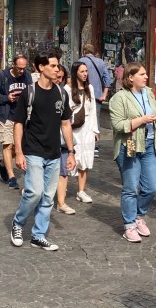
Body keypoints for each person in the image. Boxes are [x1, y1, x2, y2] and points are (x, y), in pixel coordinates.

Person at [9, 53, 76, 252]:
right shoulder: (29, 93)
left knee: (48, 197)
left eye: (58, 66)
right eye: (53, 66)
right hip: (33, 151)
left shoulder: (61, 93)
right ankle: (18, 223)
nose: (57, 69)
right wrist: (19, 152)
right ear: (40, 67)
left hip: (54, 152)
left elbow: (66, 124)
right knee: (34, 192)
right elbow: (18, 124)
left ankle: (38, 235)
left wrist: (71, 152)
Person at [109, 63, 156, 242]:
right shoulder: (119, 98)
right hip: (130, 145)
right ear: (130, 77)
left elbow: (153, 113)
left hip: (150, 145)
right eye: (142, 74)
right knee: (131, 187)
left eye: (145, 74)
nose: (146, 77)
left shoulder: (148, 93)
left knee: (152, 186)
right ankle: (129, 225)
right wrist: (141, 120)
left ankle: (138, 215)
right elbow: (118, 125)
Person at [57, 61, 100, 214]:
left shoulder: (90, 88)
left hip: (87, 126)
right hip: (73, 127)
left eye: (86, 71)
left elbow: (93, 110)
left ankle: (81, 190)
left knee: (85, 159)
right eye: (82, 71)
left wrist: (95, 130)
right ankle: (63, 187)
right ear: (75, 72)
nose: (85, 74)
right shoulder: (67, 89)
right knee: (71, 158)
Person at [0, 54, 32, 190]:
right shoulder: (3, 76)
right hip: (6, 114)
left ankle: (2, 163)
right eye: (19, 68)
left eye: (24, 68)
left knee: (17, 147)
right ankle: (12, 177)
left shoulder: (27, 76)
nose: (22, 71)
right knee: (7, 145)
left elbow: (31, 93)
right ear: (13, 65)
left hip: (21, 116)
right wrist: (7, 98)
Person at [78, 43, 112, 155]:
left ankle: (83, 143)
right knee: (95, 120)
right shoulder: (100, 62)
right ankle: (95, 146)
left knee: (81, 118)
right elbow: (108, 80)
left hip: (83, 95)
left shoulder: (81, 61)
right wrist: (104, 95)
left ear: (84, 51)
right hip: (97, 97)